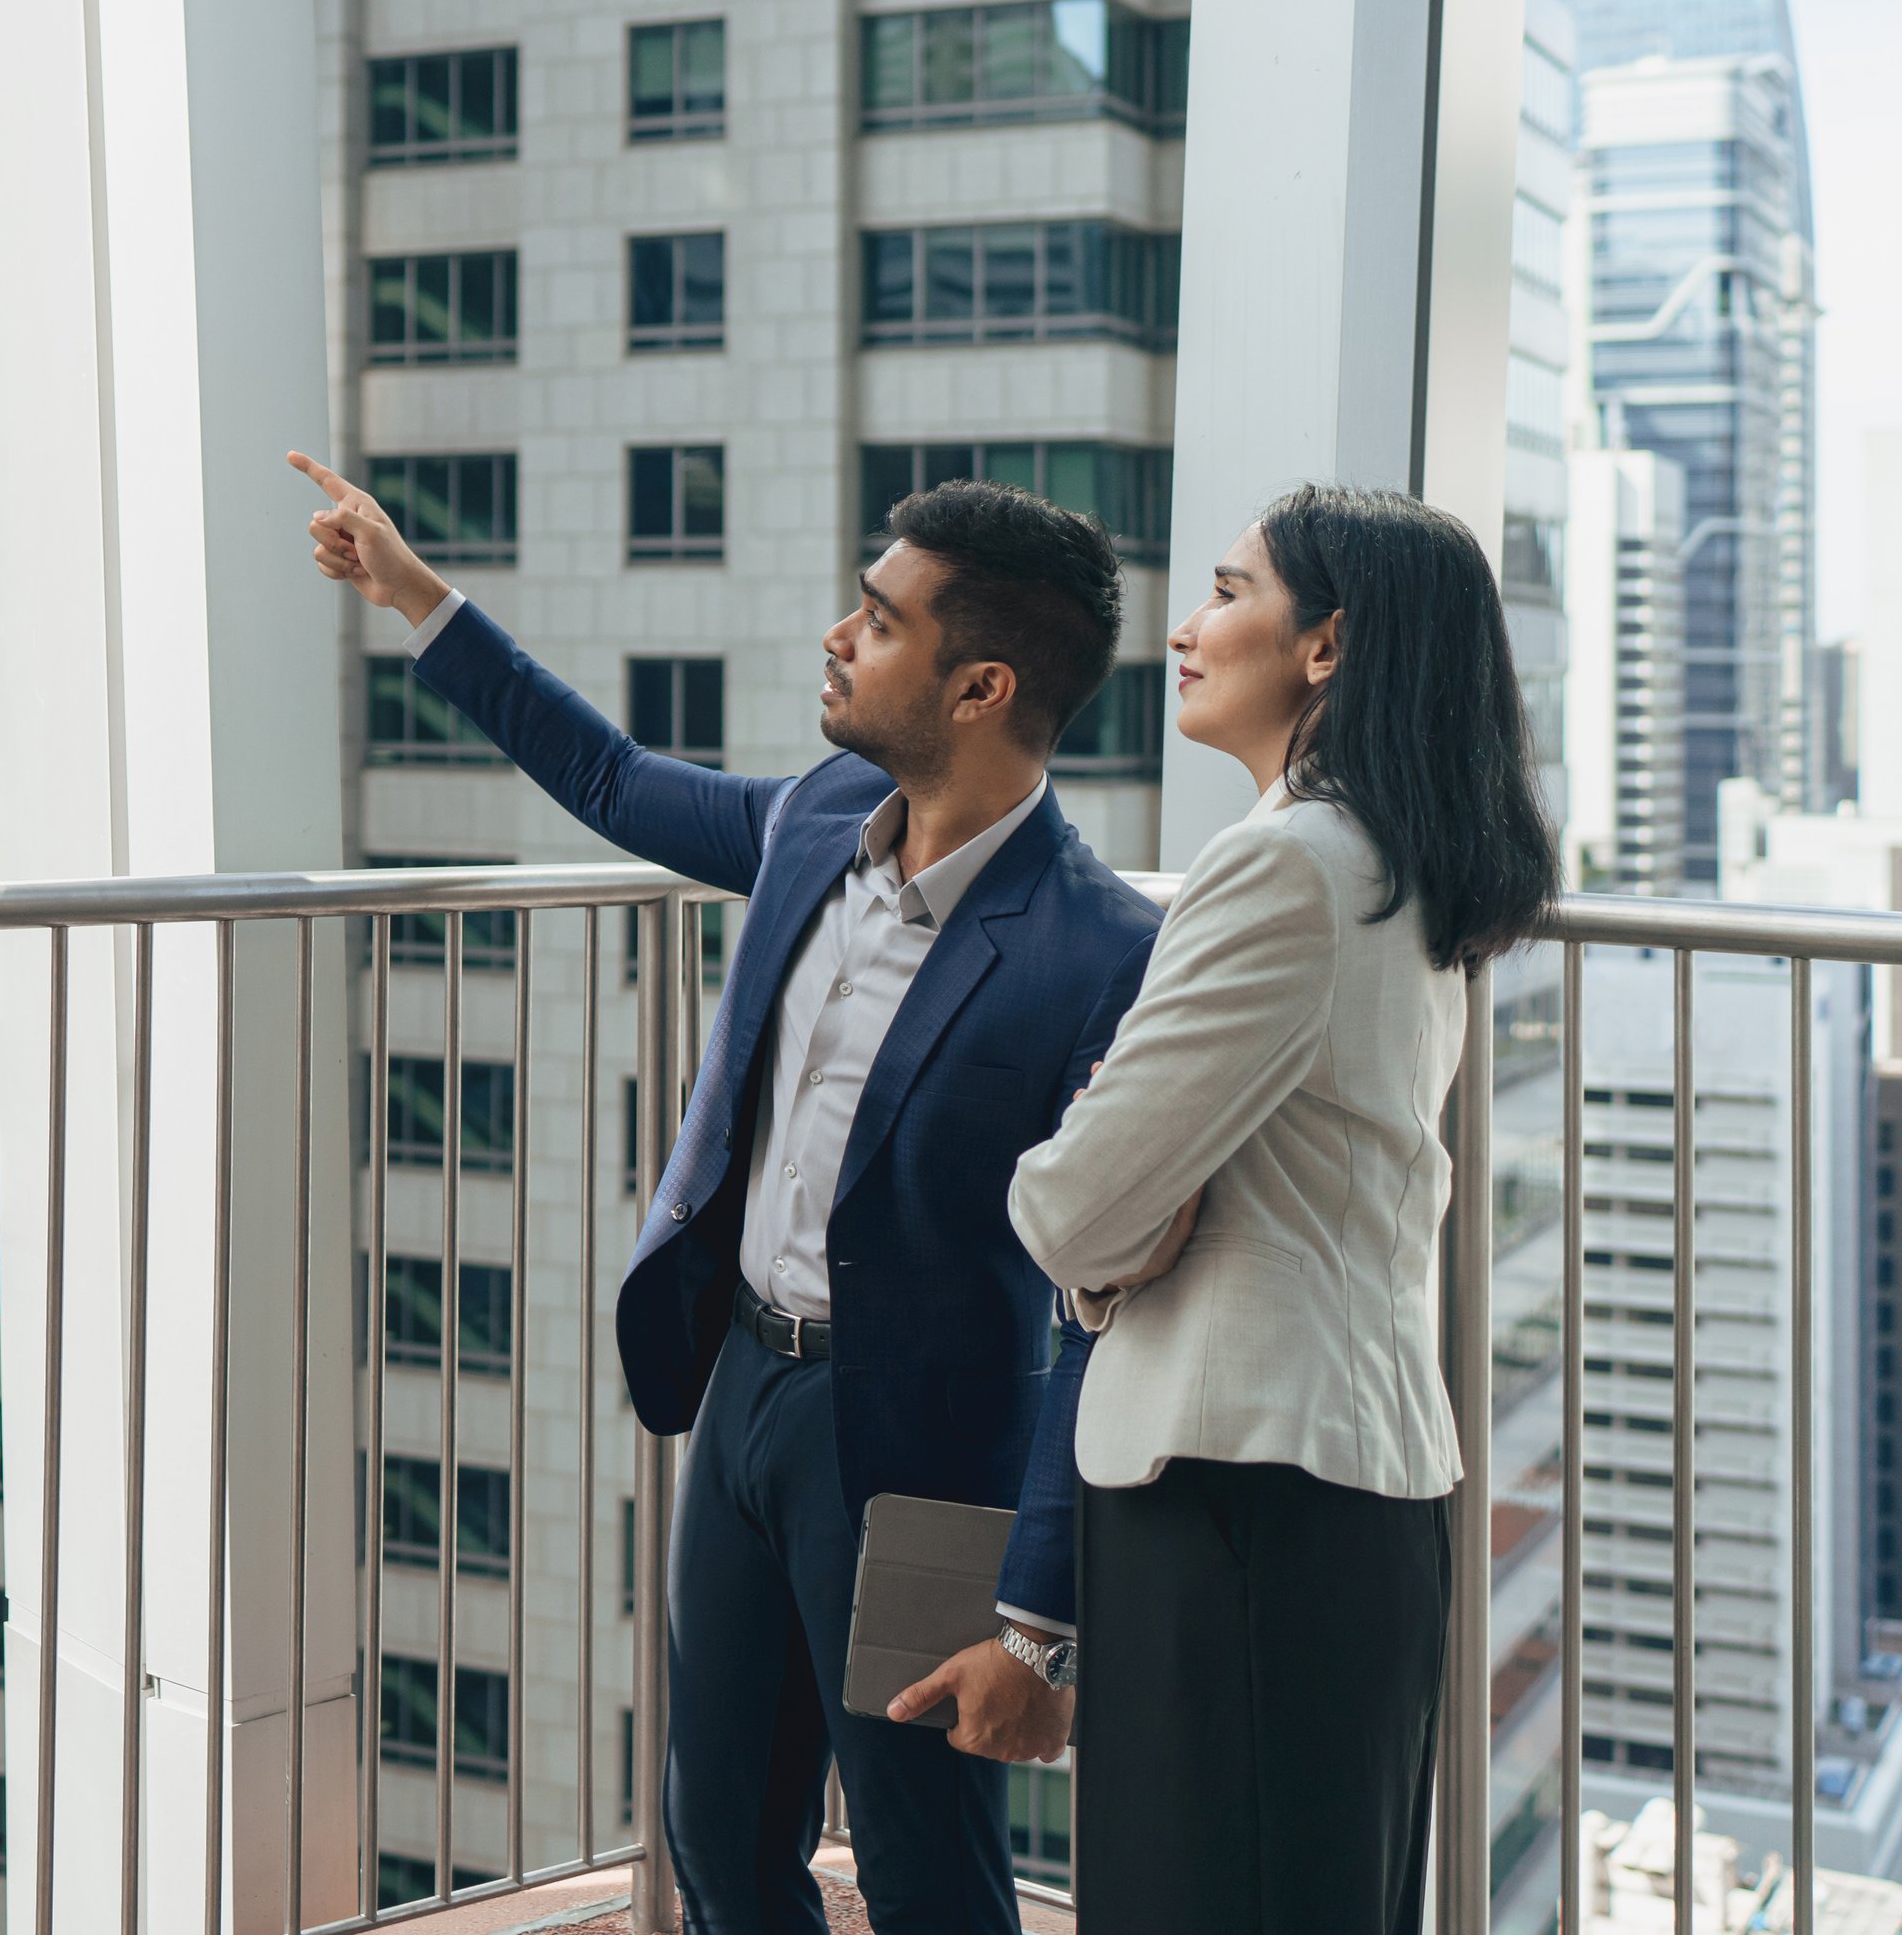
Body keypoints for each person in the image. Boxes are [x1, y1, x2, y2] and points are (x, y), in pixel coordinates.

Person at [293, 452, 1161, 1935]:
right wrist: (412, 594)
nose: (839, 635)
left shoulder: (1101, 952)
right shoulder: (820, 816)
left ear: (981, 687)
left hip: (912, 1453)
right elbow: (615, 778)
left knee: (922, 1851)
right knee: (718, 1827)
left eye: (879, 620)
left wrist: (1046, 1608)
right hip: (748, 1384)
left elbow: (1107, 1309)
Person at [1006, 488, 1554, 1934]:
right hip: (1338, 1490)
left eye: (1228, 592)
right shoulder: (1398, 858)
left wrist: (1104, 1250)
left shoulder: (1283, 865)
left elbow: (1071, 1207)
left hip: (1236, 1490)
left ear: (1326, 645)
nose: (1186, 628)